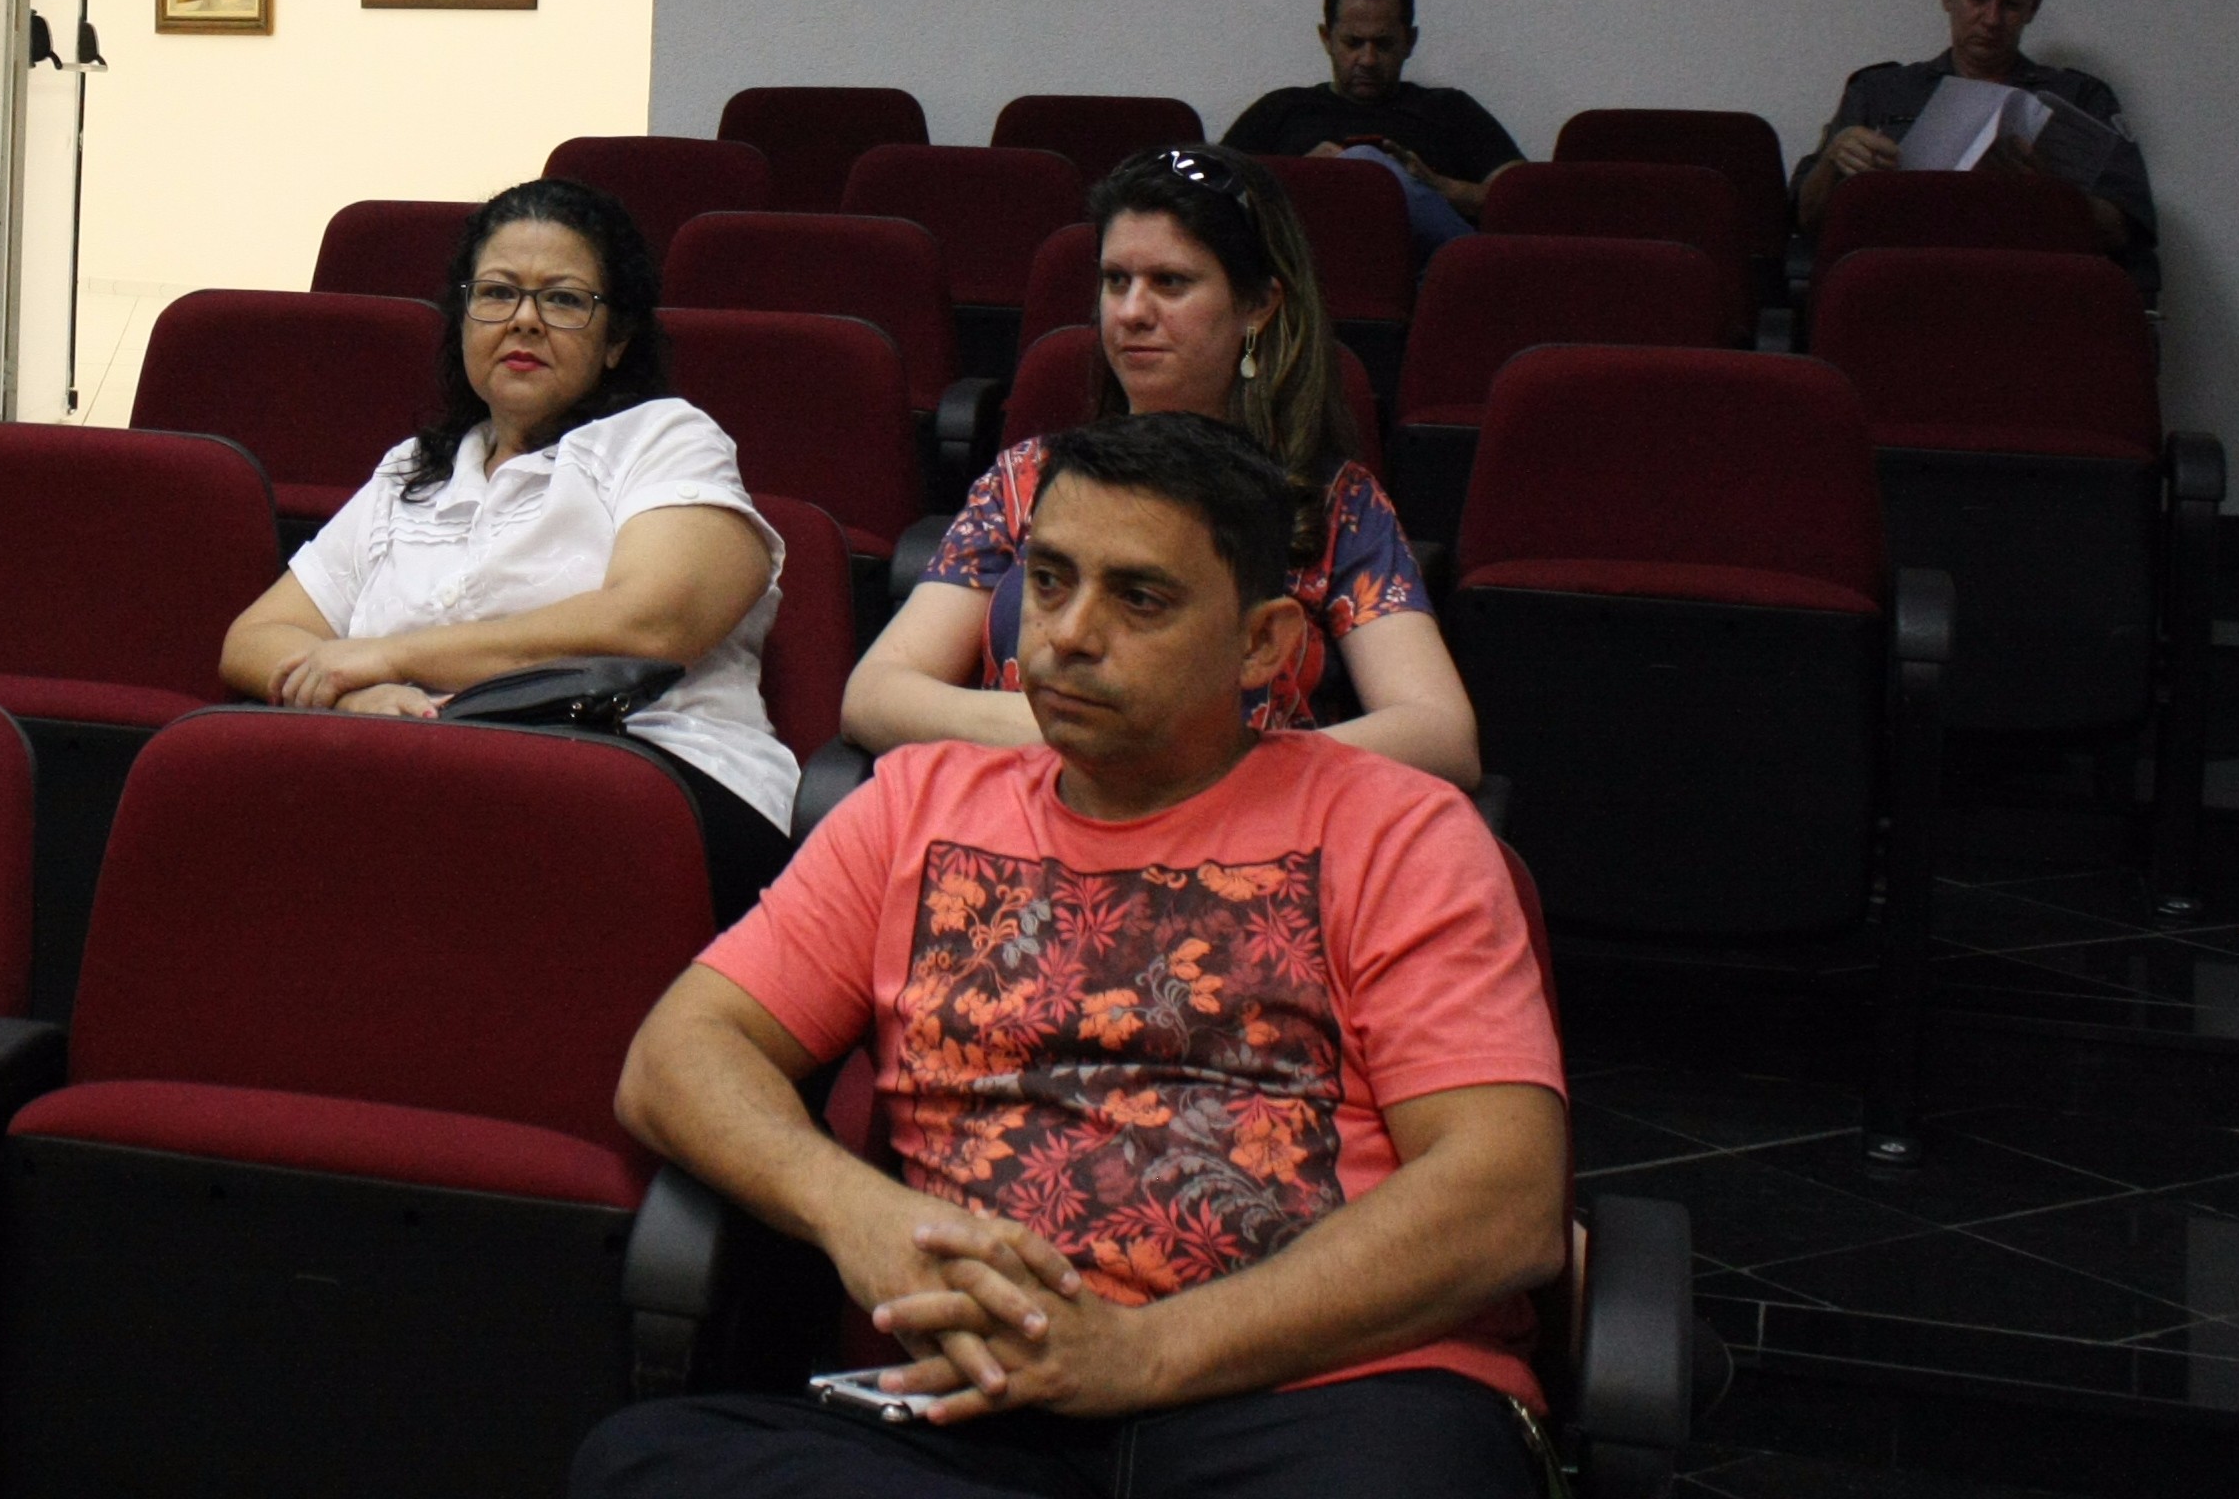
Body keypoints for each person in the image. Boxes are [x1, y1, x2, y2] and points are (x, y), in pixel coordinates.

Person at [581, 409, 1571, 1499]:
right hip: (981, 1404)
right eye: (1049, 582)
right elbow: (679, 1055)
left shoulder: (1399, 832)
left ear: (1263, 645)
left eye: (1139, 598)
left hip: (1328, 1398)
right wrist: (859, 1214)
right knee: (645, 1466)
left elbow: (1505, 1200)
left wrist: (1143, 1354)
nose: (1068, 635)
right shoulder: (914, 805)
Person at [219, 178, 798, 919]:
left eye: (563, 299)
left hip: (649, 775)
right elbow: (257, 637)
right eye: (497, 293)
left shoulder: (663, 439)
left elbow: (652, 625)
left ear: (617, 338)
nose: (524, 319)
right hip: (423, 773)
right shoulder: (413, 471)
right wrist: (359, 696)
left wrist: (389, 657)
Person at [841, 145, 1479, 788]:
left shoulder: (1334, 502)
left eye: (1170, 283)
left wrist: (1203, 760)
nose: (1130, 312)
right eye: (1116, 280)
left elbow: (1440, 733)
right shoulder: (1026, 478)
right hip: (1023, 812)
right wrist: (1087, 730)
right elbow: (876, 695)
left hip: (1247, 824)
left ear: (1258, 304)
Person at [1798, 0, 2156, 281]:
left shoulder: (2080, 97)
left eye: (2011, 4)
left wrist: (2050, 193)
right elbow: (1805, 217)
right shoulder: (1879, 91)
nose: (1992, 19)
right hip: (1902, 280)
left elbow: (2125, 230)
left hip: (2030, 283)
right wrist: (1833, 160)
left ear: (2034, 6)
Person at [1220, 0, 1522, 251]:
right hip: (1308, 268)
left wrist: (1435, 185)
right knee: (1359, 163)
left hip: (1425, 269)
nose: (1368, 60)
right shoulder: (1282, 109)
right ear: (1326, 39)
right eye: (1353, 43)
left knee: (1364, 161)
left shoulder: (1448, 108)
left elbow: (1525, 196)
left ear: (1410, 41)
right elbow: (1209, 191)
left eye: (1384, 44)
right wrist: (1300, 178)